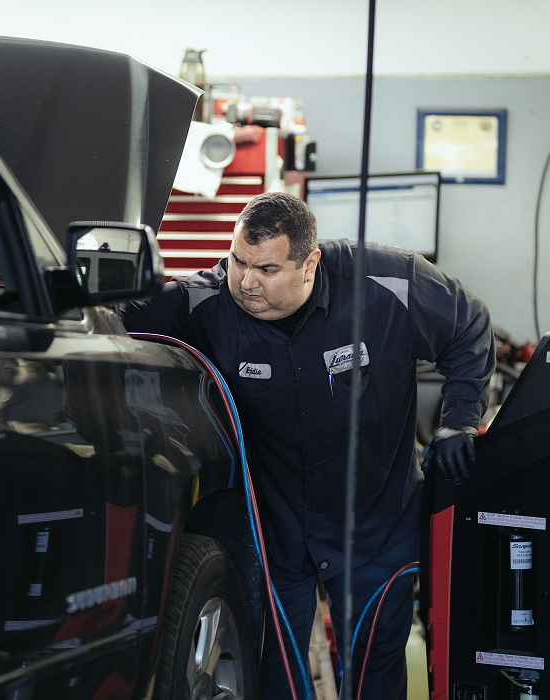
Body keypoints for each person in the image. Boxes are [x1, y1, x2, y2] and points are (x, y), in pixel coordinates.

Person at [120, 192, 494, 699]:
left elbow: (468, 326)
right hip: (280, 530)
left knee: (372, 670)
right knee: (279, 671)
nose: (247, 282)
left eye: (267, 269)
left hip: (377, 524)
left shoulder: (387, 281)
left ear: (310, 262)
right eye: (238, 262)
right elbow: (118, 319)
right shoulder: (206, 302)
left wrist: (458, 421)